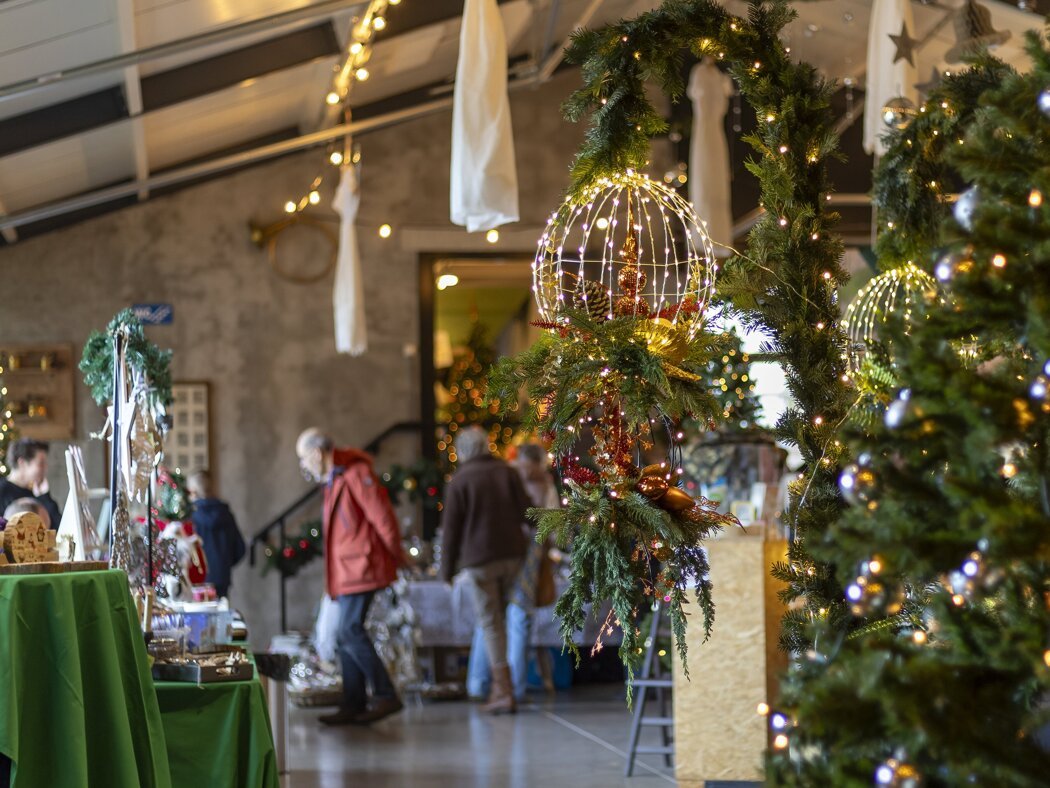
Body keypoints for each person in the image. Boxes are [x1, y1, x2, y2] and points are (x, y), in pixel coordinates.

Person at [296, 427, 403, 726]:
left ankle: (385, 694)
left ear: (317, 453)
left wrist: (396, 554)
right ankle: (353, 703)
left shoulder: (355, 473)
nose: (303, 466)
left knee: (349, 630)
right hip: (347, 570)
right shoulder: (334, 479)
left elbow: (381, 515)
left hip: (361, 567)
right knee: (345, 636)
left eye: (303, 459)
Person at [440, 426, 530, 714]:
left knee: (491, 623)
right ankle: (505, 687)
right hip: (513, 556)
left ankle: (502, 692)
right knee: (505, 619)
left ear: (463, 451)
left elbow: (450, 532)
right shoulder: (508, 472)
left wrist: (446, 572)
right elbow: (527, 512)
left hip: (480, 561)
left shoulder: (460, 480)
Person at [466, 442, 560, 702]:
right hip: (519, 555)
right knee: (509, 619)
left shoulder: (510, 477)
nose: (530, 473)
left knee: (495, 618)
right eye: (530, 467)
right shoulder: (520, 479)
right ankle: (500, 686)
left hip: (507, 553)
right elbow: (547, 526)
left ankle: (486, 684)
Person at [187, 470, 246, 599]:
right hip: (221, 577)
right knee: (222, 616)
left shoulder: (190, 517)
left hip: (196, 579)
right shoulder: (226, 514)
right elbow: (240, 548)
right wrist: (224, 563)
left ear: (193, 491)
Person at [0, 439, 60, 529]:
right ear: (22, 463)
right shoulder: (2, 493)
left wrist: (45, 497)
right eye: (41, 464)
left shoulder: (36, 493)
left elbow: (58, 528)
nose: (45, 468)